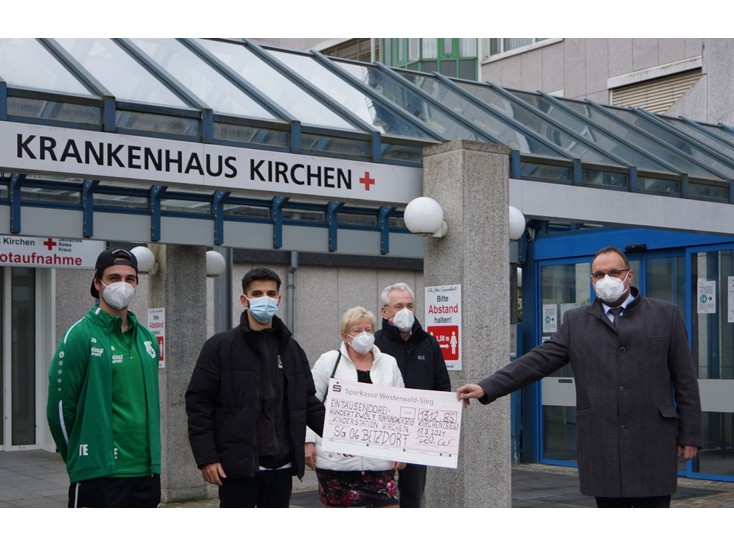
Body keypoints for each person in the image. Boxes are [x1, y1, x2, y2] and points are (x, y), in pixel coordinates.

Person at [457, 246, 703, 508]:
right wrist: (487, 387)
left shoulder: (665, 315)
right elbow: (538, 360)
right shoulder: (576, 322)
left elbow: (685, 379)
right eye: (599, 274)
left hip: (652, 439)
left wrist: (690, 434)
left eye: (613, 272)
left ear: (629, 276)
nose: (606, 279)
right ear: (592, 280)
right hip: (603, 441)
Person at [185, 267, 325, 508]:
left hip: (282, 467)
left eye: (271, 294)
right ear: (244, 299)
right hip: (237, 468)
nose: (265, 299)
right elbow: (199, 404)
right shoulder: (219, 347)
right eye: (257, 293)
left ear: (279, 299)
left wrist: (345, 436)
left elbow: (308, 403)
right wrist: (206, 458)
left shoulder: (292, 350)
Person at [47, 247, 161, 507]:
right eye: (114, 277)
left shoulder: (147, 339)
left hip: (147, 472)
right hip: (98, 474)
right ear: (97, 283)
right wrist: (80, 457)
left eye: (130, 279)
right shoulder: (78, 336)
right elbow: (60, 411)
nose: (123, 284)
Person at [305, 306, 405, 507]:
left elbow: (400, 408)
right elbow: (309, 401)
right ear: (344, 335)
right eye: (358, 331)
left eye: (368, 330)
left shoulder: (389, 363)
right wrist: (308, 441)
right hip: (335, 462)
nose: (364, 335)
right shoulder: (328, 361)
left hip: (378, 460)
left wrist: (401, 450)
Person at [373, 283, 451, 508]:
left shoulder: (428, 343)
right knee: (378, 496)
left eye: (409, 305)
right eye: (398, 306)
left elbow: (441, 386)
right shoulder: (375, 344)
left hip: (417, 434)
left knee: (413, 497)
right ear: (385, 312)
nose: (405, 311)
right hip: (382, 433)